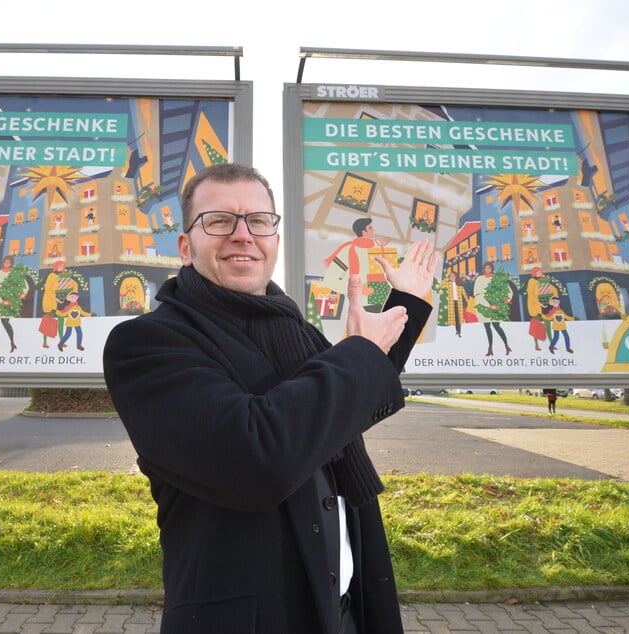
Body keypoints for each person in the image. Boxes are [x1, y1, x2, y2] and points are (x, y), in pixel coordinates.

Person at [103, 163, 437, 634]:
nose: (243, 235)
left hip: (343, 609)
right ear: (185, 246)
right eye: (219, 221)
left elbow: (336, 410)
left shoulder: (294, 332)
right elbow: (257, 457)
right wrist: (357, 353)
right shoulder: (148, 344)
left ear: (275, 239)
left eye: (259, 221)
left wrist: (408, 303)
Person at [0, 256, 24, 354]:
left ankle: (12, 342)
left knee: (5, 322)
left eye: (9, 262)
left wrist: (21, 294)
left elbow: (22, 285)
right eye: (5, 262)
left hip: (8, 301)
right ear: (3, 263)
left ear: (11, 263)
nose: (7, 263)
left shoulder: (13, 274)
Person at [473, 261, 512, 357]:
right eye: (486, 268)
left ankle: (506, 345)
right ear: (484, 269)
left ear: (492, 269)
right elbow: (477, 294)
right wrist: (488, 305)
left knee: (496, 326)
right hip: (484, 307)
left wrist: (509, 297)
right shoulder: (480, 279)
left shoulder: (496, 278)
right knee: (487, 328)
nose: (487, 270)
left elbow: (507, 288)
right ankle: (490, 348)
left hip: (496, 306)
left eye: (489, 268)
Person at [443, 269, 468, 337]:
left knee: (459, 317)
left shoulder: (459, 285)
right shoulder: (448, 284)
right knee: (454, 317)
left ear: (455, 277)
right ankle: (457, 330)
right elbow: (443, 283)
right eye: (450, 276)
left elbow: (464, 294)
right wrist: (447, 278)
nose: (451, 277)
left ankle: (459, 331)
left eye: (452, 275)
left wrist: (467, 300)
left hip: (458, 302)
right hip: (451, 302)